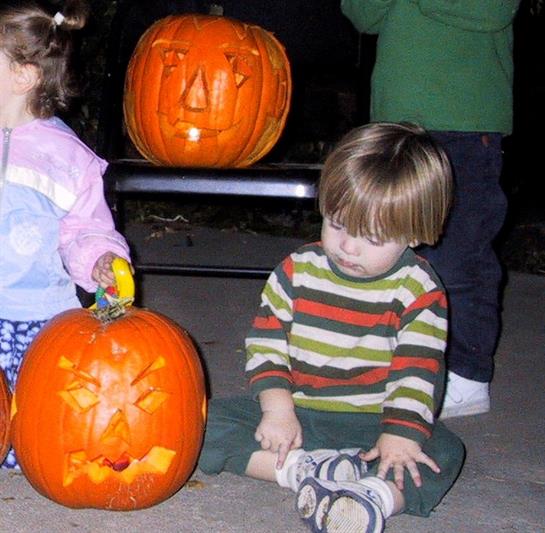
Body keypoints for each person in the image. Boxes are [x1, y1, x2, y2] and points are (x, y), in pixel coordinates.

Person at [199, 122, 465, 533]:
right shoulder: (296, 272)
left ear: (414, 233)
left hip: (378, 420)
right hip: (300, 413)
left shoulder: (419, 289)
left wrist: (399, 436)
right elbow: (267, 344)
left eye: (371, 238)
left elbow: (419, 370)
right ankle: (302, 472)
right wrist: (278, 410)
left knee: (442, 452)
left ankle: (373, 498)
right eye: (337, 224)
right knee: (197, 424)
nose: (348, 247)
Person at [340, 0, 521, 418]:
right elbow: (362, 14)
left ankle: (468, 375)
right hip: (395, 123)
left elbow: (492, 11)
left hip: (465, 122)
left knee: (458, 256)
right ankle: (402, 366)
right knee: (389, 252)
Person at [0, 0, 131, 468]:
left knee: (39, 423)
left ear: (23, 77)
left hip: (37, 314)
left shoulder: (67, 158)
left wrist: (100, 260)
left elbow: (86, 227)